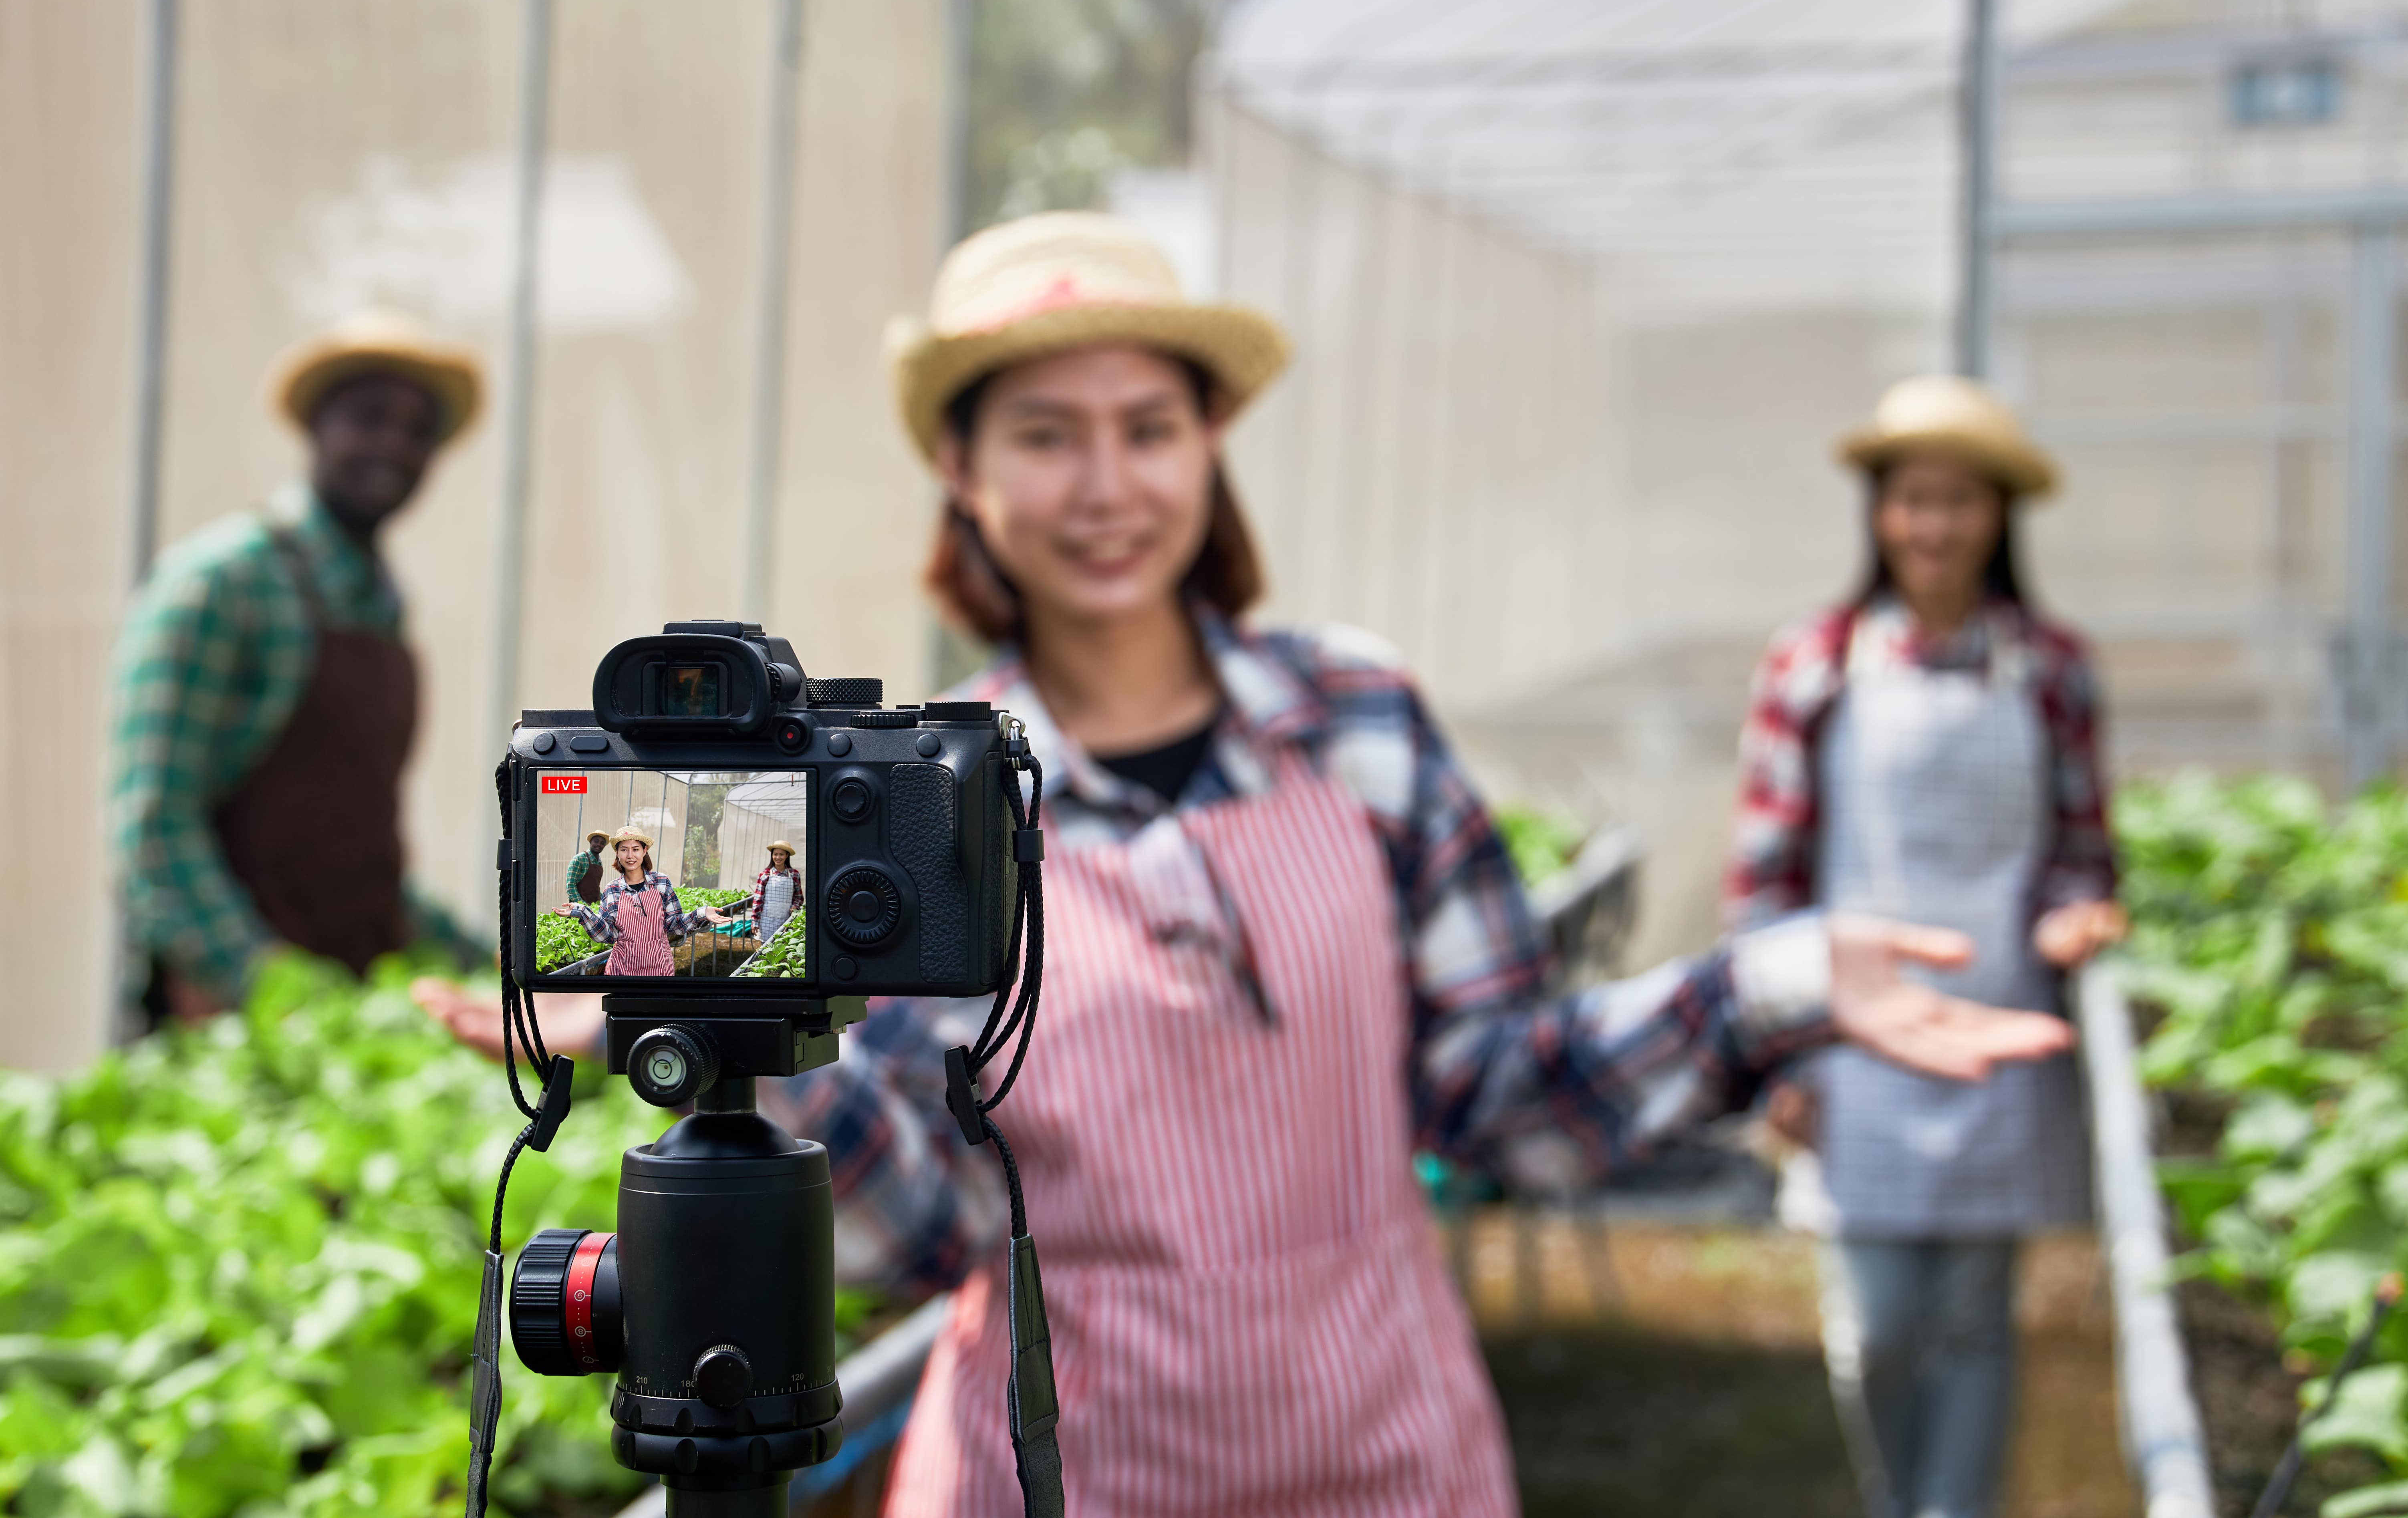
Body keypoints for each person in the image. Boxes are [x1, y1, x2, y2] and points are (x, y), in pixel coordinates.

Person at [422, 214, 2074, 1516]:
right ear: (963, 472)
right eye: (1046, 435)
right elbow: (930, 1221)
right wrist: (722, 1034)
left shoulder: (1353, 721)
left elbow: (1501, 1092)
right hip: (1063, 1469)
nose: (1104, 485)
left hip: (1377, 1460)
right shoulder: (927, 801)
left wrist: (1770, 987)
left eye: (1148, 426)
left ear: (1209, 443)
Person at [1725, 375, 2128, 1518]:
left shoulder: (2050, 668)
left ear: (1999, 517)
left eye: (1959, 502)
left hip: (1998, 1021)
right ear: (1878, 513)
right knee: (1882, 1324)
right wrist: (1781, 1051)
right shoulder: (1813, 664)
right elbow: (1766, 876)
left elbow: (2082, 845)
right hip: (1857, 1039)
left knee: (1973, 1318)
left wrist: (2072, 909)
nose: (1934, 527)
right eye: (1912, 500)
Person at [111, 310, 488, 1023]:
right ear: (318, 425)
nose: (395, 445)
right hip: (225, 1027)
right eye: (370, 416)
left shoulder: (381, 605)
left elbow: (356, 853)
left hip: (352, 999)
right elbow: (154, 826)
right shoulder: (222, 582)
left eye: (418, 431)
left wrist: (495, 969)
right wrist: (273, 990)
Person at [566, 828, 734, 978]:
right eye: (624, 850)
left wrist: (701, 914)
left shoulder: (661, 882)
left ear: (645, 851)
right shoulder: (612, 890)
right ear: (618, 853)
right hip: (623, 970)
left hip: (659, 968)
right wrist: (583, 913)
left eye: (636, 849)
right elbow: (609, 935)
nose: (630, 856)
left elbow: (674, 925)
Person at [750, 840, 803, 942]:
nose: (778, 858)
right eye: (775, 854)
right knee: (766, 951)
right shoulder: (765, 874)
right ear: (772, 855)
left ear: (787, 856)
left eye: (782, 855)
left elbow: (799, 898)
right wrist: (755, 922)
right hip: (766, 921)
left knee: (784, 950)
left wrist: (795, 906)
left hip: (787, 920)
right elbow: (758, 900)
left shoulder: (795, 875)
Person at [568, 831, 611, 908]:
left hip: (594, 907)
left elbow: (595, 888)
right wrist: (583, 905)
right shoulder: (579, 859)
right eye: (596, 841)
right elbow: (571, 886)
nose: (599, 845)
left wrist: (605, 901)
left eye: (602, 843)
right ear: (591, 842)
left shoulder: (599, 862)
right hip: (579, 908)